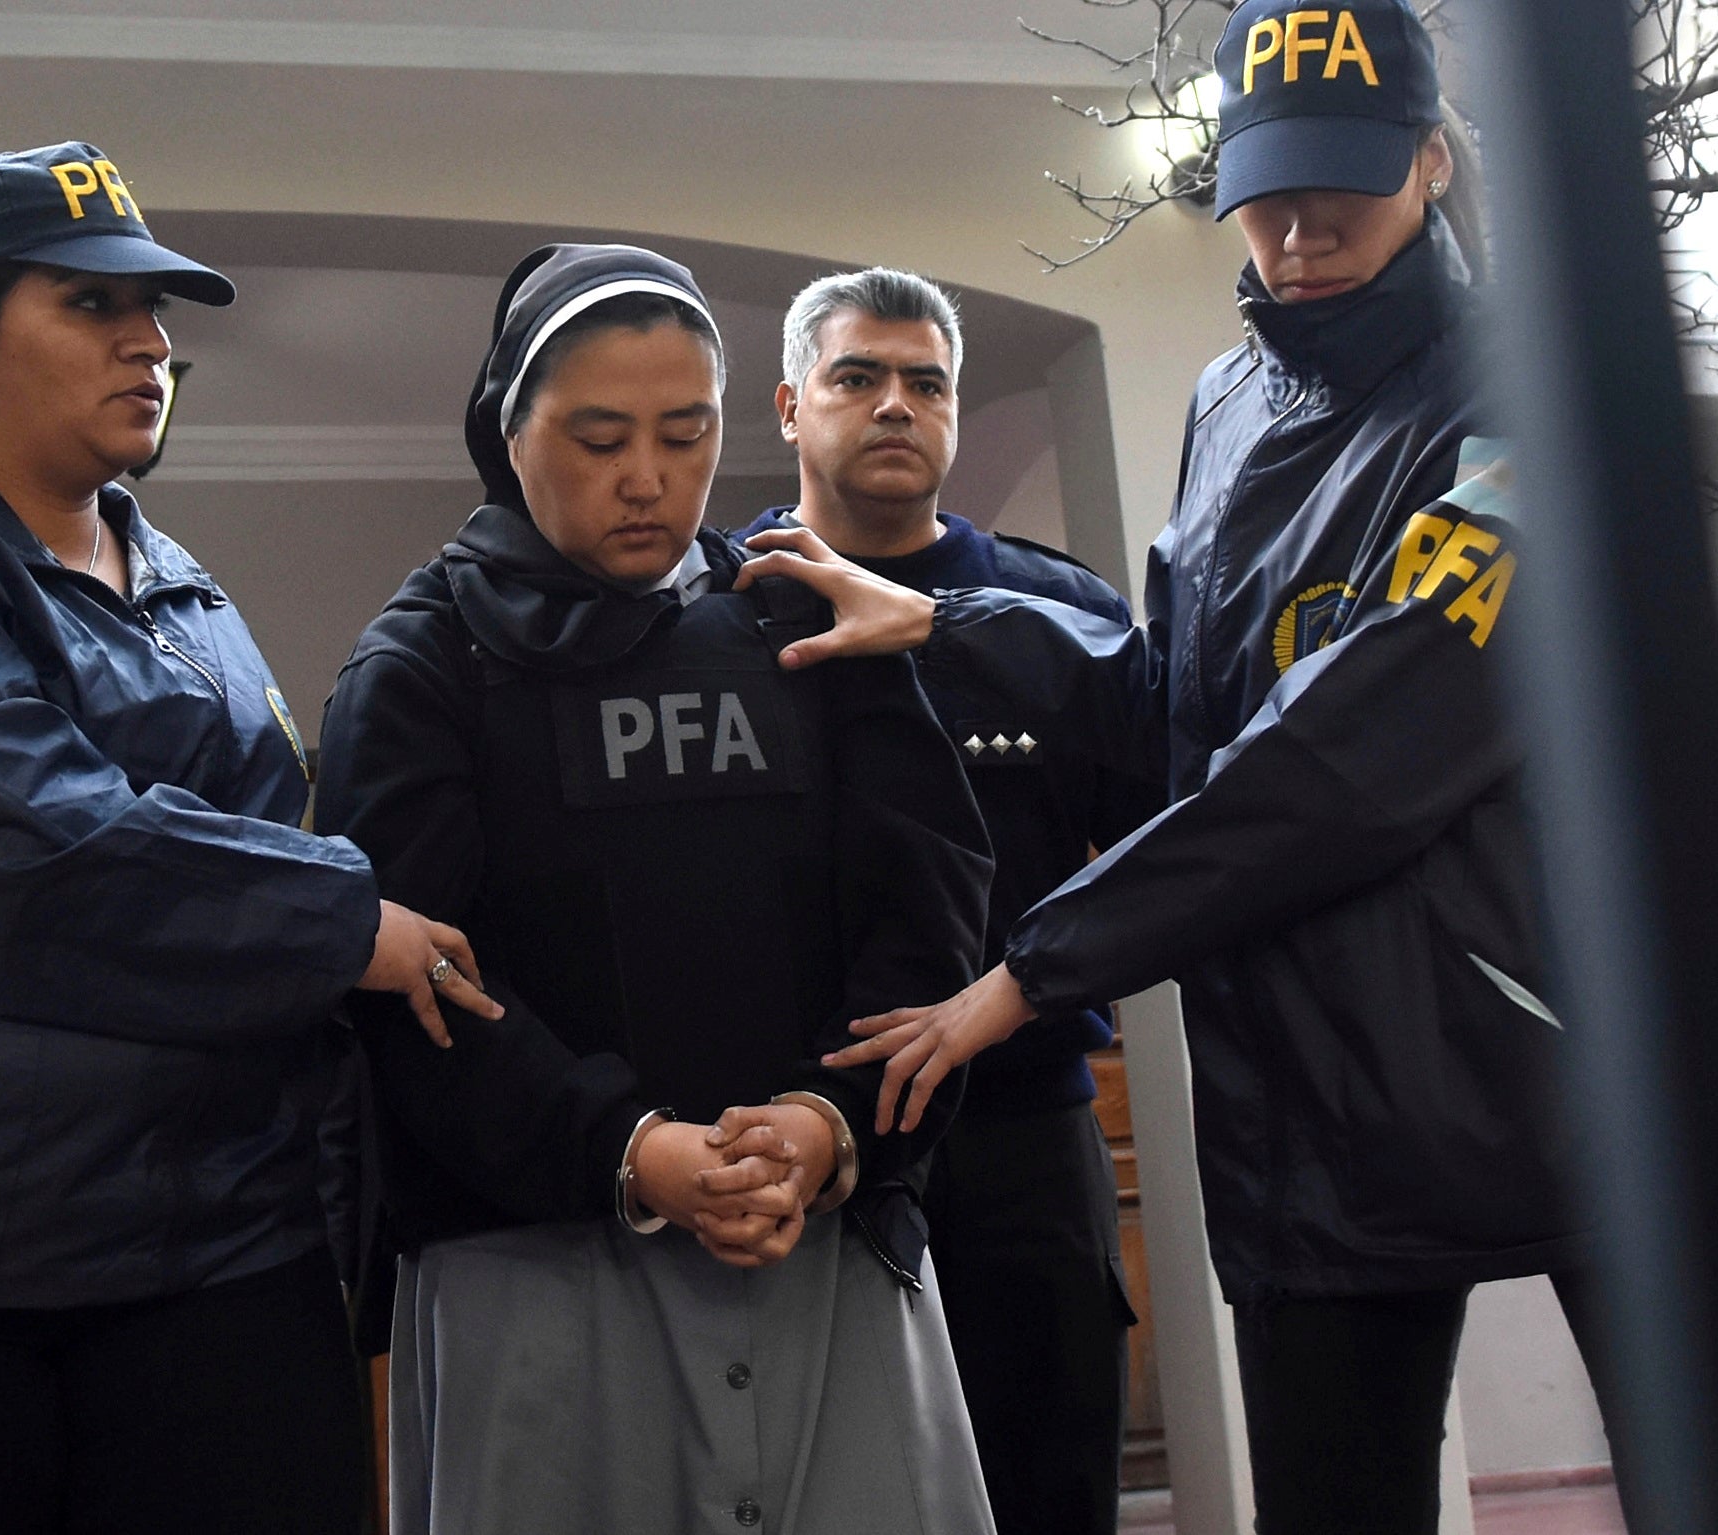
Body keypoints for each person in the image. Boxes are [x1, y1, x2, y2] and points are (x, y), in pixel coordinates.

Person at [738, 4, 1619, 1530]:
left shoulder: (1532, 387)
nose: (1294, 225)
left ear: (1426, 161)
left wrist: (1034, 965)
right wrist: (945, 622)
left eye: (1339, 182)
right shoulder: (1229, 403)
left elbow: (1352, 751)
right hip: (1300, 1087)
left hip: (1551, 1055)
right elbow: (1176, 703)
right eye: (1263, 185)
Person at [0, 141, 499, 1534]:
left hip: (232, 1246)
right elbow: (33, 855)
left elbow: (217, 843)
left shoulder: (183, 589)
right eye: (88, 305)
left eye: (158, 315)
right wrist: (346, 922)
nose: (149, 342)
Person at [312, 243, 997, 1535]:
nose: (647, 479)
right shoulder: (419, 664)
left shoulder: (790, 615)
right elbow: (415, 987)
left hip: (820, 1244)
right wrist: (628, 1149)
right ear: (505, 432)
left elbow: (929, 917)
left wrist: (830, 1121)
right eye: (598, 437)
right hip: (538, 1268)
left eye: (685, 434)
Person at [735, 267, 1155, 1535]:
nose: (895, 404)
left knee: (1051, 1484)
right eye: (857, 376)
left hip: (1021, 1127)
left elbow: (1165, 853)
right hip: (794, 1129)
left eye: (926, 382)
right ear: (789, 405)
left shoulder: (1063, 614)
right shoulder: (712, 609)